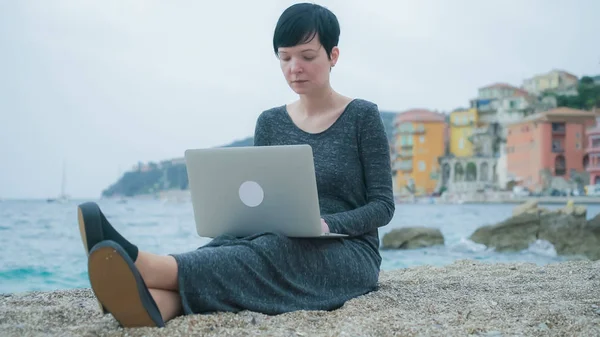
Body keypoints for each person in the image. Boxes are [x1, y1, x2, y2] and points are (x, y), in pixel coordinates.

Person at [78, 2, 395, 328]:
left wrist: (326, 224)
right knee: (229, 244)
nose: (294, 68)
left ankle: (144, 265)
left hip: (349, 250)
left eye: (307, 56)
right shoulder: (270, 123)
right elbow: (260, 206)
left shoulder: (362, 117)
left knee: (273, 247)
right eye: (284, 58)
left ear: (333, 56)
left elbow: (383, 206)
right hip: (278, 239)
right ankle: (158, 302)